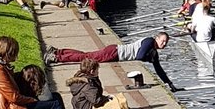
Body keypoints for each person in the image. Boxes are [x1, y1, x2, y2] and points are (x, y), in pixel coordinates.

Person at [44, 32, 177, 90]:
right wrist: (150, 58)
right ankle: (56, 57)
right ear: (157, 38)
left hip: (114, 52)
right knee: (85, 58)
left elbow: (158, 68)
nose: (164, 44)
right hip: (113, 53)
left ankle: (57, 52)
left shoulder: (153, 51)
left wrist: (169, 82)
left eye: (166, 42)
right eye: (162, 41)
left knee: (85, 55)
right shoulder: (149, 42)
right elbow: (140, 56)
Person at [189, 0, 215, 67]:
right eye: (210, 0)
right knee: (213, 27)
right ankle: (211, 38)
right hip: (197, 25)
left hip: (199, 25)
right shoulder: (200, 7)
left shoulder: (205, 6)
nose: (211, 2)